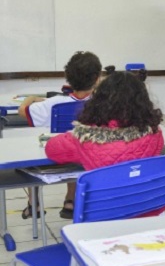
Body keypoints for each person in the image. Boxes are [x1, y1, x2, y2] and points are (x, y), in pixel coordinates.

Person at [44, 70, 165, 266]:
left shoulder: (84, 139)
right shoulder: (154, 135)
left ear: (99, 101)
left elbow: (52, 150)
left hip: (101, 233)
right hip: (151, 225)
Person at [18, 51, 102, 219]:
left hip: (56, 159)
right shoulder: (101, 104)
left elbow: (22, 111)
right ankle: (70, 200)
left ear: (68, 78)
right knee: (77, 144)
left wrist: (31, 98)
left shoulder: (54, 103)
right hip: (89, 160)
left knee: (35, 148)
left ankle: (34, 203)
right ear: (97, 78)